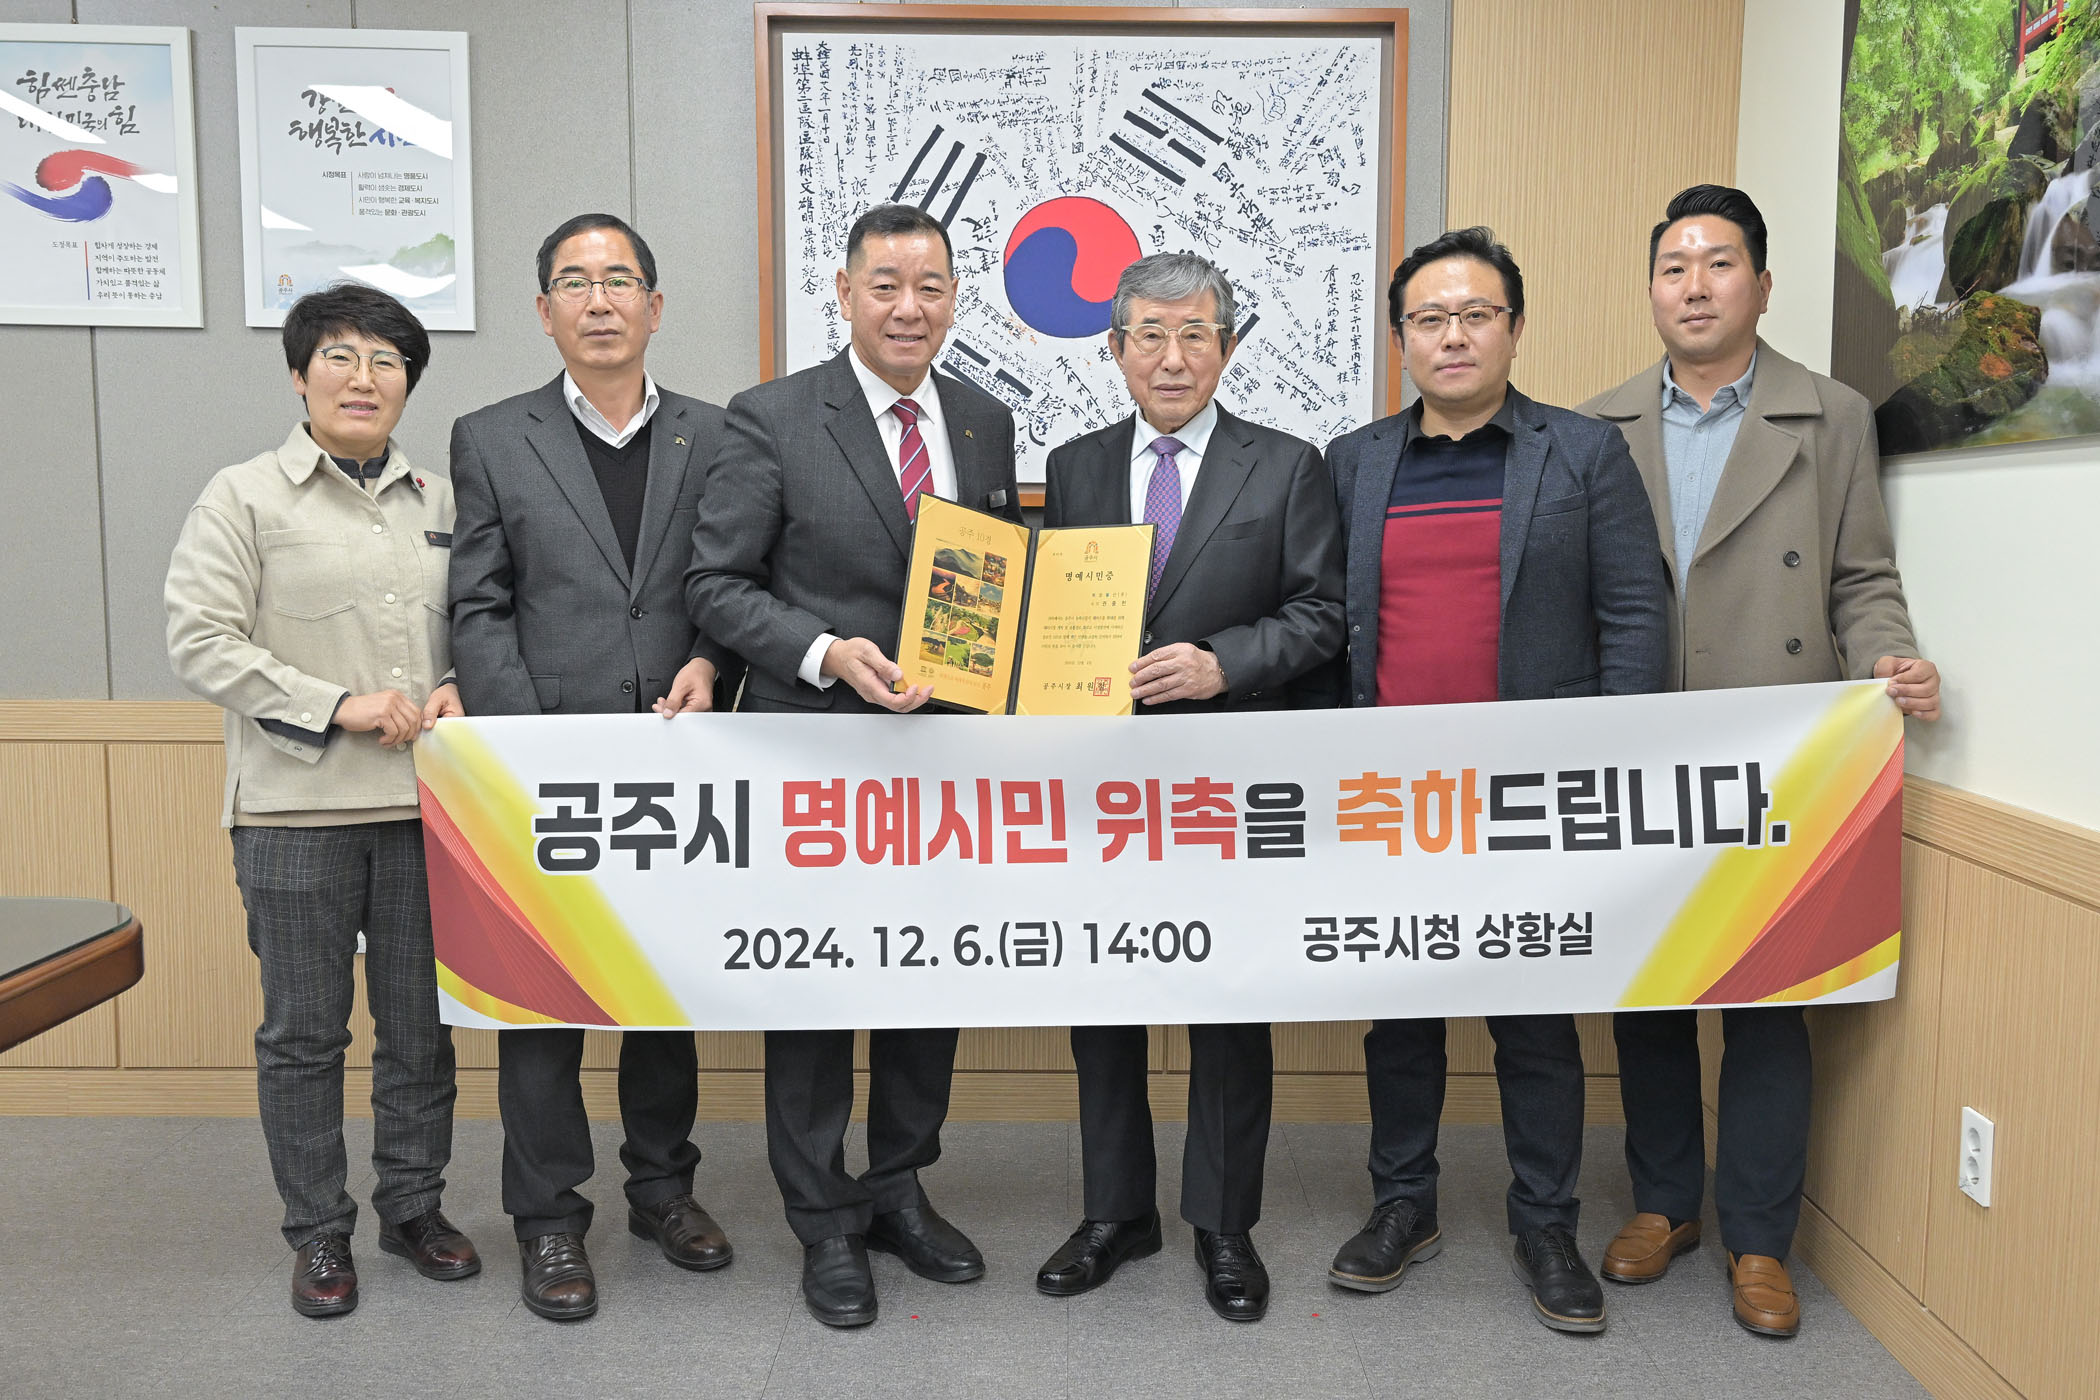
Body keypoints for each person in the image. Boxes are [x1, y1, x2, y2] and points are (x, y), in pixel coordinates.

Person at [1580, 184, 1940, 1338]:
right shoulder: (1596, 425)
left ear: (1763, 284)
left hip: (1778, 752)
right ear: (1652, 289)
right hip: (1639, 745)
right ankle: (1663, 1202)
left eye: (1719, 263)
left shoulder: (1831, 415)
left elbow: (1861, 577)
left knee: (1770, 1000)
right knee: (1650, 987)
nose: (1694, 285)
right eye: (1673, 266)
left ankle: (1759, 1237)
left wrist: (1889, 657)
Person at [1323, 227, 1670, 1334]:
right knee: (1401, 1015)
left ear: (1515, 328)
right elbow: (1330, 624)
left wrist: (1614, 770)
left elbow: (1634, 611)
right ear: (1401, 340)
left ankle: (1546, 1222)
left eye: (1476, 314)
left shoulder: (1583, 453)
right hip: (1391, 793)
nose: (1454, 335)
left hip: (1535, 795)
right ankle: (1403, 1203)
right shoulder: (1354, 460)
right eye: (1430, 318)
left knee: (1534, 1022)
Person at [687, 202, 1020, 1328]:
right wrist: (829, 651)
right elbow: (716, 585)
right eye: (886, 285)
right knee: (820, 991)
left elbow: (990, 580)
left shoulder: (983, 420)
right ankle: (825, 1219)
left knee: (928, 981)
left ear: (955, 298)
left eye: (930, 286)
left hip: (947, 765)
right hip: (816, 757)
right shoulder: (773, 416)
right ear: (843, 293)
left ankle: (899, 1188)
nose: (908, 307)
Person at [1033, 252, 1345, 1323]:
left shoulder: (1288, 465)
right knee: (1103, 996)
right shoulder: (1072, 467)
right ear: (1115, 349)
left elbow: (1323, 613)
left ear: (1228, 346)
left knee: (1227, 1003)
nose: (1172, 358)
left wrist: (1225, 662)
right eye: (1151, 336)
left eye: (1195, 335)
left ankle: (1223, 1221)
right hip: (1105, 786)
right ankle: (1115, 1211)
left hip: (1228, 778)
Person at [448, 213, 740, 1322]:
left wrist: (711, 662)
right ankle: (549, 1219)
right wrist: (528, 747)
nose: (600, 300)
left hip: (676, 761)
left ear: (655, 306)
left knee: (659, 991)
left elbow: (733, 583)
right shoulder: (491, 435)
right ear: (544, 311)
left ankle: (664, 1189)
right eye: (575, 282)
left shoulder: (715, 434)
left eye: (620, 280)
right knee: (543, 1001)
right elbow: (479, 603)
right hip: (544, 770)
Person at [165, 283, 477, 1318]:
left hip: (426, 811)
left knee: (420, 1031)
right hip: (295, 812)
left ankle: (414, 1207)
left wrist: (460, 680)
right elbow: (200, 641)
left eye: (386, 360)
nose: (363, 377)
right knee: (304, 1034)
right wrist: (336, 705)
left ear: (407, 383)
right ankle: (318, 1231)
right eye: (339, 356)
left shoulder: (442, 500)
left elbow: (485, 617)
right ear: (300, 376)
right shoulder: (243, 496)